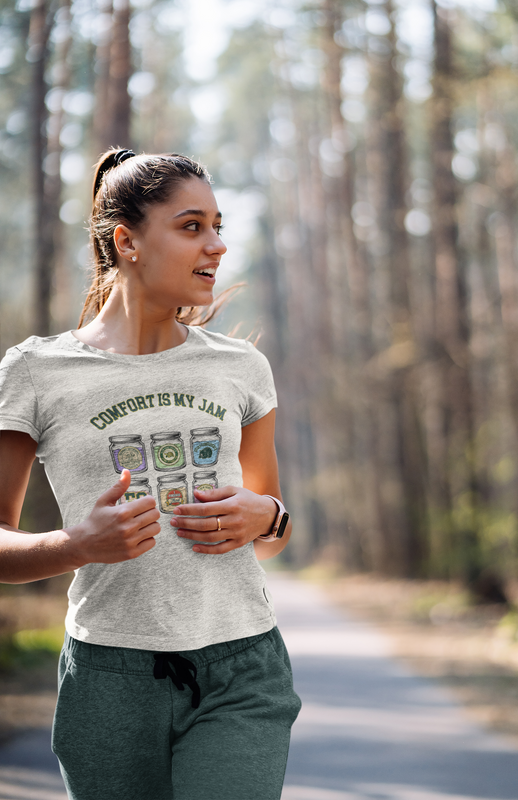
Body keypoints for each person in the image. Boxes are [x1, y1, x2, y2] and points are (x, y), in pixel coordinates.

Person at [0, 148, 302, 800]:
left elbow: (272, 529)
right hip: (109, 679)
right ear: (126, 241)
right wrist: (73, 545)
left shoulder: (241, 368)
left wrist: (267, 515)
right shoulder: (34, 372)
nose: (217, 246)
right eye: (192, 226)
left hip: (241, 667)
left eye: (218, 226)